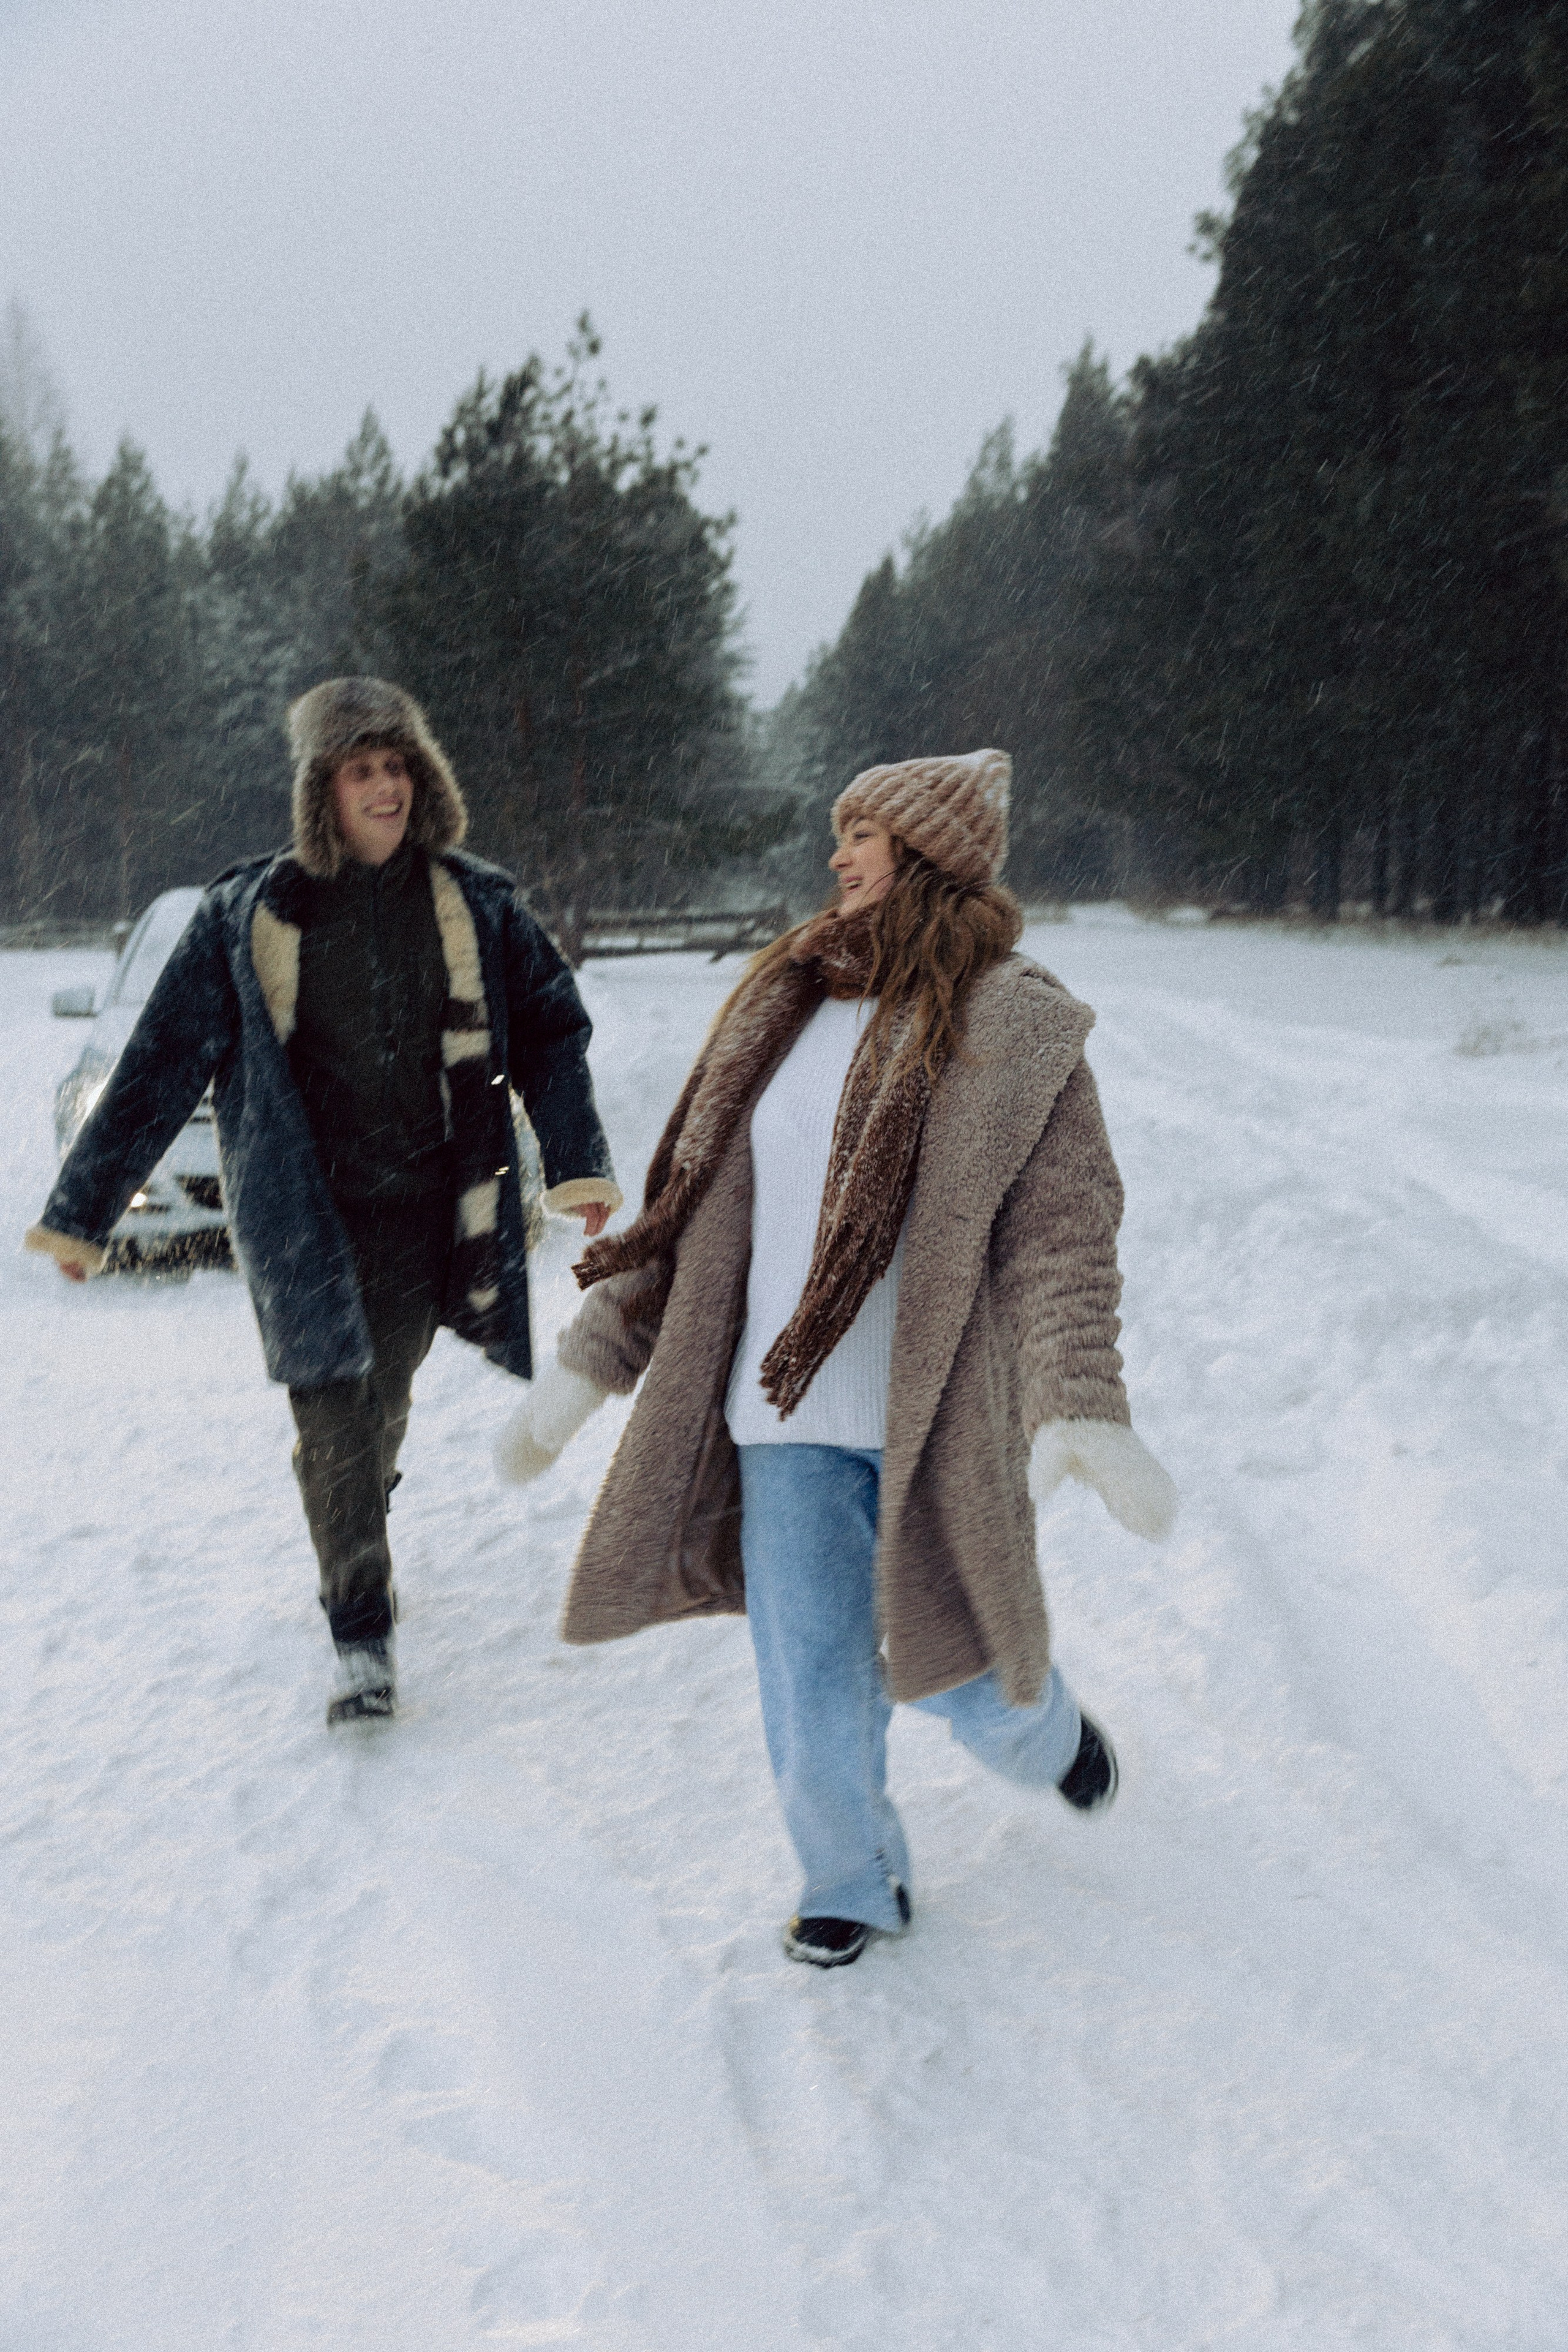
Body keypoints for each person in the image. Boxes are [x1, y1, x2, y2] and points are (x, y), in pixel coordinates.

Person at [497, 748, 1175, 1966]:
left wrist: (1079, 1399)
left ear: (923, 850)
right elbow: (686, 1202)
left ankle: (1050, 1735)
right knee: (810, 1686)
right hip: (781, 1419)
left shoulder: (1012, 1020)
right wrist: (591, 1362)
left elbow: (1063, 1226)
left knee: (966, 1674)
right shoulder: (783, 1002)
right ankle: (851, 1882)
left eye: (858, 832)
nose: (836, 855)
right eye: (838, 831)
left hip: (934, 1423)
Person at [26, 677, 620, 1724]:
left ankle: (354, 1502)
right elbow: (160, 1063)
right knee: (334, 1407)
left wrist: (574, 1161)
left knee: (378, 1407)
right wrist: (83, 1212)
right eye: (362, 771)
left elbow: (552, 1028)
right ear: (322, 790)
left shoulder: (477, 903)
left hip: (428, 1216)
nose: (385, 787)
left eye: (397, 766)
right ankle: (361, 1633)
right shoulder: (246, 914)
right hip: (306, 1217)